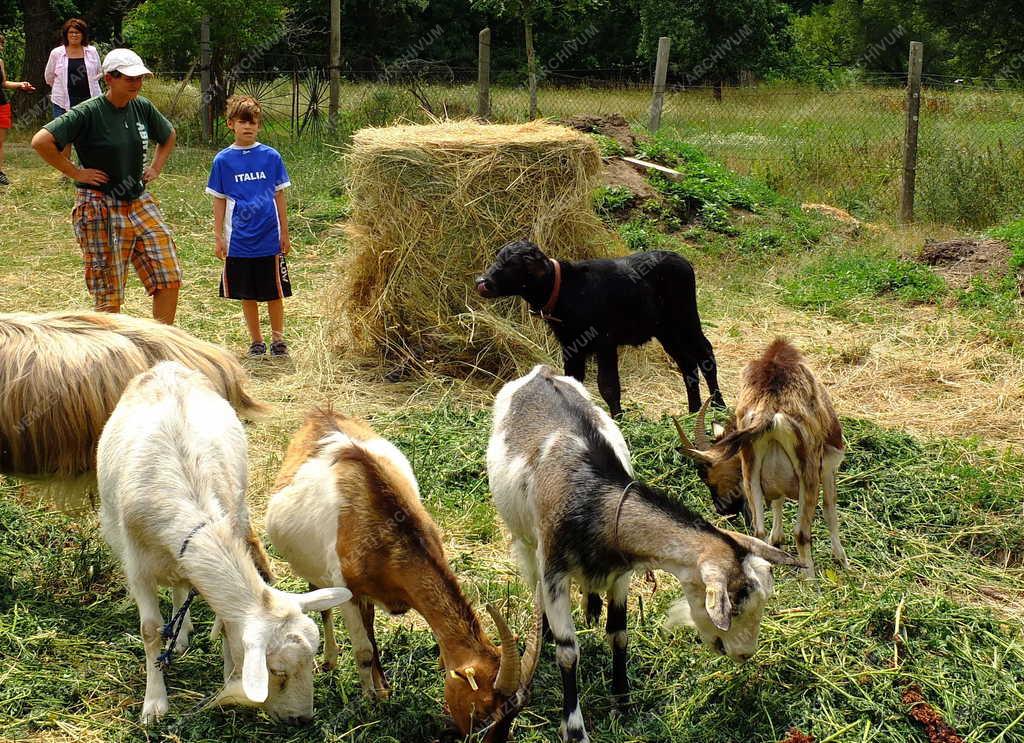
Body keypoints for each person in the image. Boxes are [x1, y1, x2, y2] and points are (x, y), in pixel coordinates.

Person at [31, 49, 181, 324]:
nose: (136, 83)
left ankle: (162, 346)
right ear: (109, 79)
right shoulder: (88, 111)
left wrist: (156, 168)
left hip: (138, 199)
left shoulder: (142, 106)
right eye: (129, 78)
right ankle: (111, 355)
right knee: (109, 291)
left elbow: (168, 134)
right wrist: (75, 171)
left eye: (140, 78)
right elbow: (41, 141)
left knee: (168, 276)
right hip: (99, 205)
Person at [206, 95, 292, 357]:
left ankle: (278, 340)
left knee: (275, 292)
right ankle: (256, 341)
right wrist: (218, 236)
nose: (248, 126)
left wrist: (285, 233)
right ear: (230, 124)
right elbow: (219, 201)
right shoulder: (222, 161)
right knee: (248, 294)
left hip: (269, 238)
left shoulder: (271, 157)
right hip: (240, 241)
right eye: (242, 121)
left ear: (259, 125)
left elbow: (279, 196)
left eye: (253, 121)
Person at [44, 18, 102, 119]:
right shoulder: (56, 53)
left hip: (90, 99)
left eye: (77, 32)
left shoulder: (92, 51)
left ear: (83, 34)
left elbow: (99, 72)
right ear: (66, 34)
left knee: (89, 132)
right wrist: (62, 86)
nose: (74, 35)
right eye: (71, 32)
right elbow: (49, 76)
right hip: (62, 101)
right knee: (64, 133)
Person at [0, 33, 37, 186]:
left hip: (1, 104)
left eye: (1, 44)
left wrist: (21, 84)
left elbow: (3, 83)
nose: (1, 47)